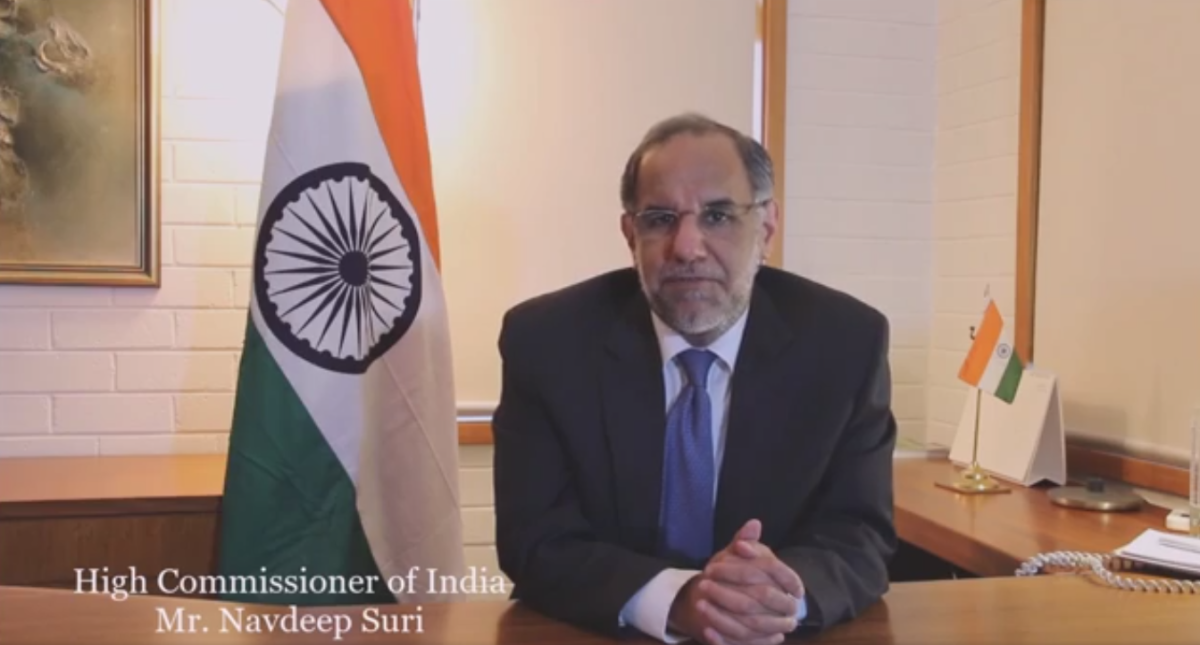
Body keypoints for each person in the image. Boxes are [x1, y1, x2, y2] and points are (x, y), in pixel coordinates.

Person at [492, 113, 897, 644]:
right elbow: (535, 540)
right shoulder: (547, 342)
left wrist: (777, 597)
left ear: (767, 228)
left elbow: (860, 533)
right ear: (629, 233)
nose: (686, 247)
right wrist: (677, 598)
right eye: (660, 218)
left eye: (719, 216)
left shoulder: (846, 342)